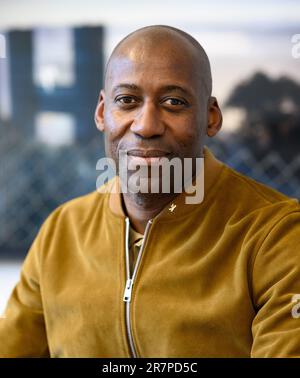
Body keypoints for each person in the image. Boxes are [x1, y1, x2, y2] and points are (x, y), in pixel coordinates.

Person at [0, 24, 300, 358]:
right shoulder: (61, 232)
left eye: (174, 102)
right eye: (126, 101)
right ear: (102, 112)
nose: (146, 125)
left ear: (211, 118)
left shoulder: (278, 235)